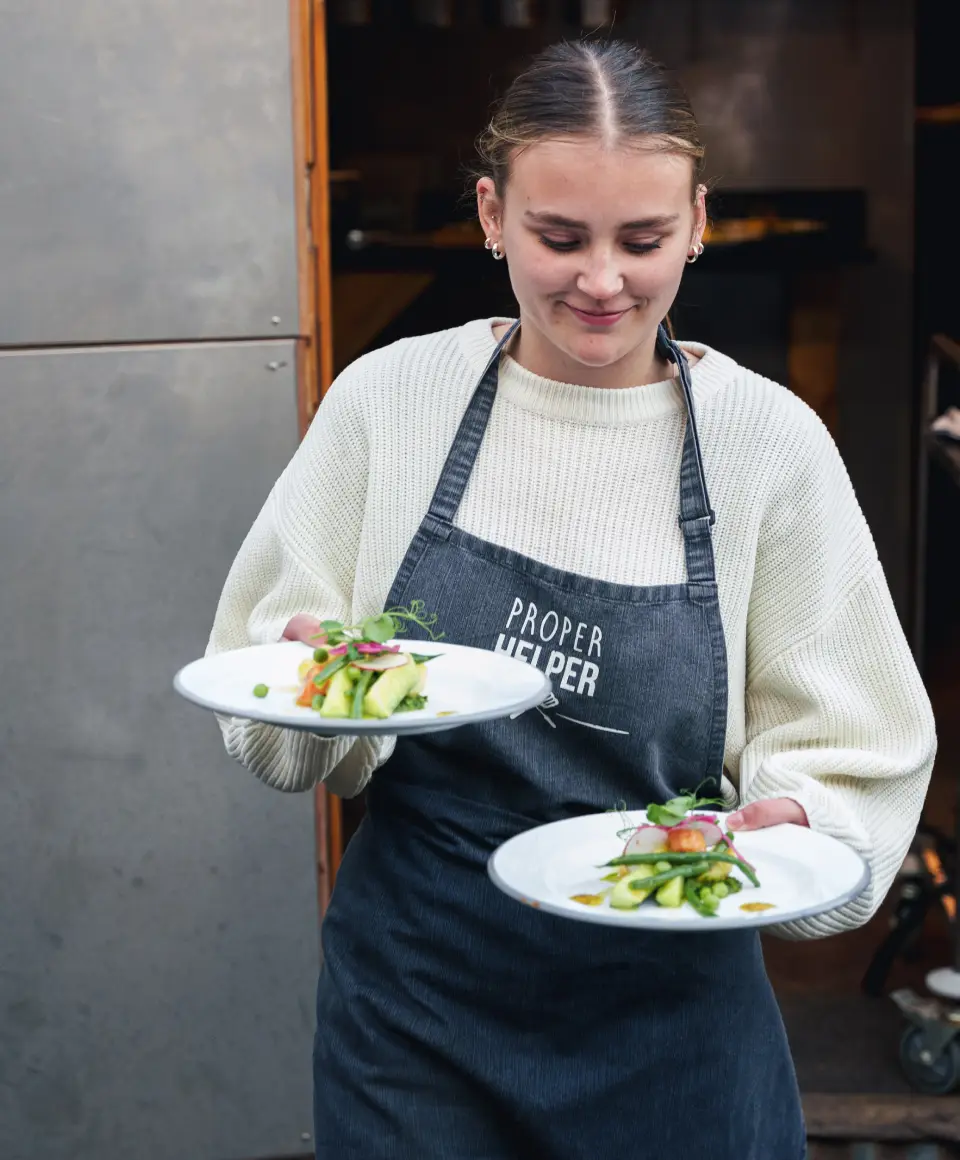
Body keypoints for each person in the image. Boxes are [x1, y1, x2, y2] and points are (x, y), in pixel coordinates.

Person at [206, 38, 936, 1159]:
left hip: (673, 1006)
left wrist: (801, 817)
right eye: (559, 237)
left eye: (643, 240)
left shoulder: (765, 443)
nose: (602, 281)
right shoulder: (391, 402)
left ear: (698, 219)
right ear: (493, 215)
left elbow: (854, 739)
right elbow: (270, 682)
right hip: (420, 1004)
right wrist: (316, 683)